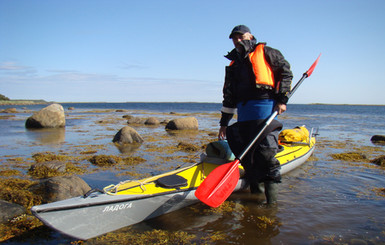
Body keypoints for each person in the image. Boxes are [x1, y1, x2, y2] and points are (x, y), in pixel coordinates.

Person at [219, 25, 293, 204]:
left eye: (240, 36)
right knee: (247, 156)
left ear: (250, 36)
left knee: (265, 154)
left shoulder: (268, 52)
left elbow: (286, 73)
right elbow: (228, 96)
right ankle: (255, 200)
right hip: (244, 112)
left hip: (265, 107)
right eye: (234, 38)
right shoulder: (234, 64)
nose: (237, 40)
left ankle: (271, 203)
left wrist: (282, 100)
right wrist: (224, 123)